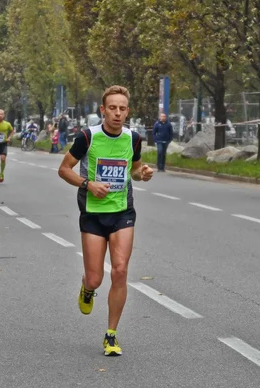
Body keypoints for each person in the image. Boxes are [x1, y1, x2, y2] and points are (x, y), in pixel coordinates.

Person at [58, 86, 153, 357]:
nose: (118, 113)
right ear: (103, 110)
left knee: (120, 270)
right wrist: (88, 184)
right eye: (112, 108)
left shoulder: (133, 138)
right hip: (93, 213)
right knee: (96, 278)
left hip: (123, 211)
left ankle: (111, 335)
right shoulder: (87, 137)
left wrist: (142, 173)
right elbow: (64, 169)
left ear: (127, 112)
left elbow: (134, 170)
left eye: (122, 108)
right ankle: (87, 288)